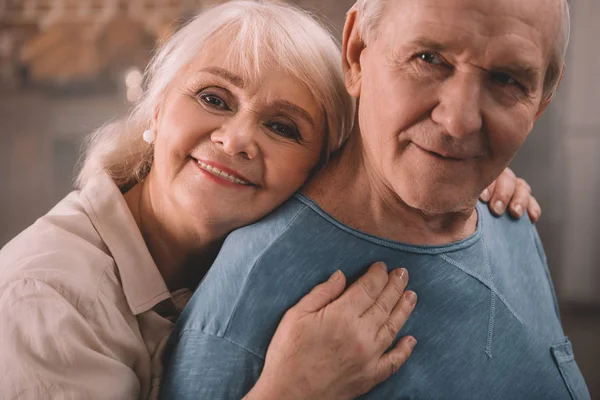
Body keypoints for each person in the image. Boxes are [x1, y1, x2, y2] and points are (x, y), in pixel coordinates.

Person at [0, 1, 539, 399]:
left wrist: (459, 167)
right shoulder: (42, 302)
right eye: (213, 98)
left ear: (320, 166)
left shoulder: (235, 257)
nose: (235, 139)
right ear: (157, 112)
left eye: (282, 127)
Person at [162, 0, 592, 399]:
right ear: (356, 53)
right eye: (428, 59)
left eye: (506, 80)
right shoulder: (247, 295)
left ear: (539, 104)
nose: (459, 121)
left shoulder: (512, 215)